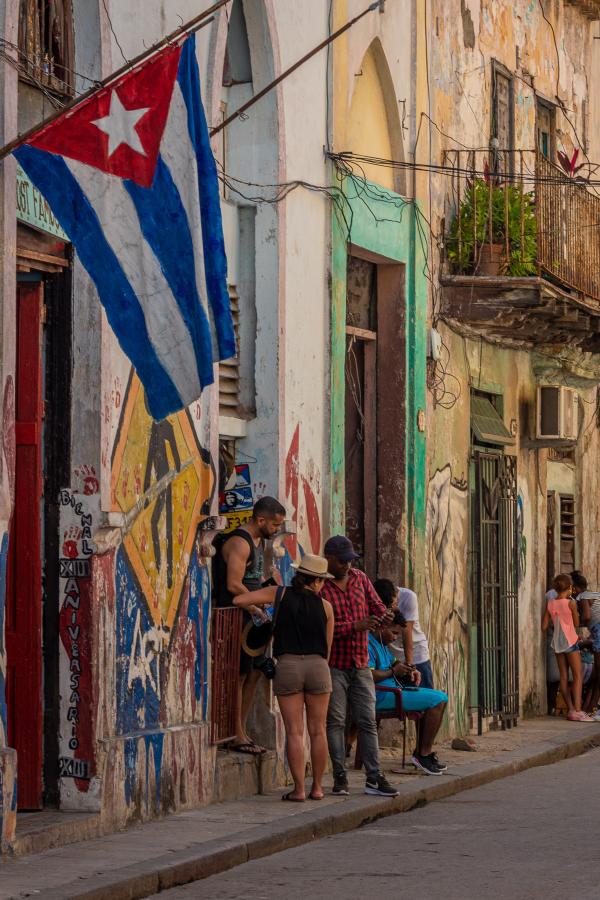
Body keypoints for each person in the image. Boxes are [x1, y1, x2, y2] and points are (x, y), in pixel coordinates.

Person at [233, 554, 334, 802]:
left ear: (299, 575)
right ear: (319, 582)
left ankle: (299, 790)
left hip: (288, 666)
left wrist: (260, 610)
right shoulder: (326, 607)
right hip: (318, 667)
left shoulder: (279, 594)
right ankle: (318, 788)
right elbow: (327, 650)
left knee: (294, 732)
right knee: (318, 731)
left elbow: (239, 598)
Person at [321, 535, 399, 797]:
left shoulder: (360, 578)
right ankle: (339, 775)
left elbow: (377, 606)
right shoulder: (321, 586)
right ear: (329, 559)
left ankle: (374, 776)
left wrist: (383, 615)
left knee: (367, 720)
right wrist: (355, 626)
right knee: (336, 721)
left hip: (360, 662)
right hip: (335, 664)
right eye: (342, 561)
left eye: (349, 561)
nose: (346, 565)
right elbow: (322, 627)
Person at [212, 496, 286, 753]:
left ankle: (241, 729)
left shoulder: (257, 543)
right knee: (238, 676)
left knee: (254, 674)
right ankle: (236, 734)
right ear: (261, 519)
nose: (276, 530)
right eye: (275, 525)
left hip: (254, 621)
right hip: (237, 617)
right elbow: (233, 585)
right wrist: (255, 605)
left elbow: (252, 579)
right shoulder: (239, 542)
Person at [368, 618, 449, 775]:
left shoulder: (382, 645)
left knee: (441, 697)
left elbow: (394, 662)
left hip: (394, 691)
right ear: (381, 627)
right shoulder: (369, 644)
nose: (394, 638)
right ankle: (423, 755)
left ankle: (422, 752)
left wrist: (410, 669)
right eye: (393, 633)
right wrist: (393, 672)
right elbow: (368, 675)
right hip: (384, 696)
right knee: (437, 700)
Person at [542, 573, 593, 722]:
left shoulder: (551, 603)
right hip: (570, 641)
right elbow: (576, 624)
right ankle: (578, 711)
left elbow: (544, 626)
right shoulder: (570, 603)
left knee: (563, 677)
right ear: (570, 587)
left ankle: (570, 709)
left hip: (557, 643)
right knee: (577, 676)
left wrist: (555, 621)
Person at [373, 579, 434, 689]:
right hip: (393, 659)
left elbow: (407, 633)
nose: (394, 608)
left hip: (416, 655)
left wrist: (410, 667)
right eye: (389, 607)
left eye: (394, 604)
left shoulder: (409, 597)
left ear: (396, 594)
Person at [571, 570, 600, 717]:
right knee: (596, 674)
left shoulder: (583, 596)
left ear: (575, 588)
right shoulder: (592, 594)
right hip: (597, 630)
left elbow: (587, 616)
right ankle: (590, 707)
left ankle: (594, 708)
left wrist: (574, 623)